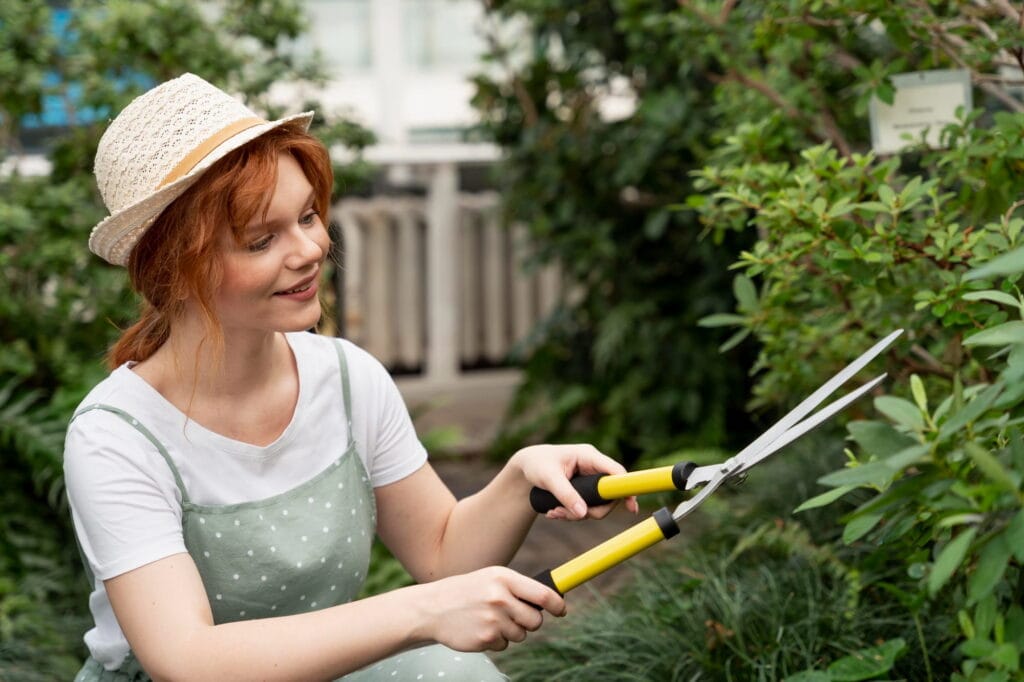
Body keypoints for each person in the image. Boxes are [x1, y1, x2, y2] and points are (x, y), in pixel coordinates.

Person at [63, 73, 637, 681]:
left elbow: (444, 558)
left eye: (308, 216)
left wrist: (523, 479)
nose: (310, 249)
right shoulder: (117, 437)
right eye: (261, 240)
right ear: (175, 270)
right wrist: (424, 612)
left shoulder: (345, 379)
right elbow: (188, 660)